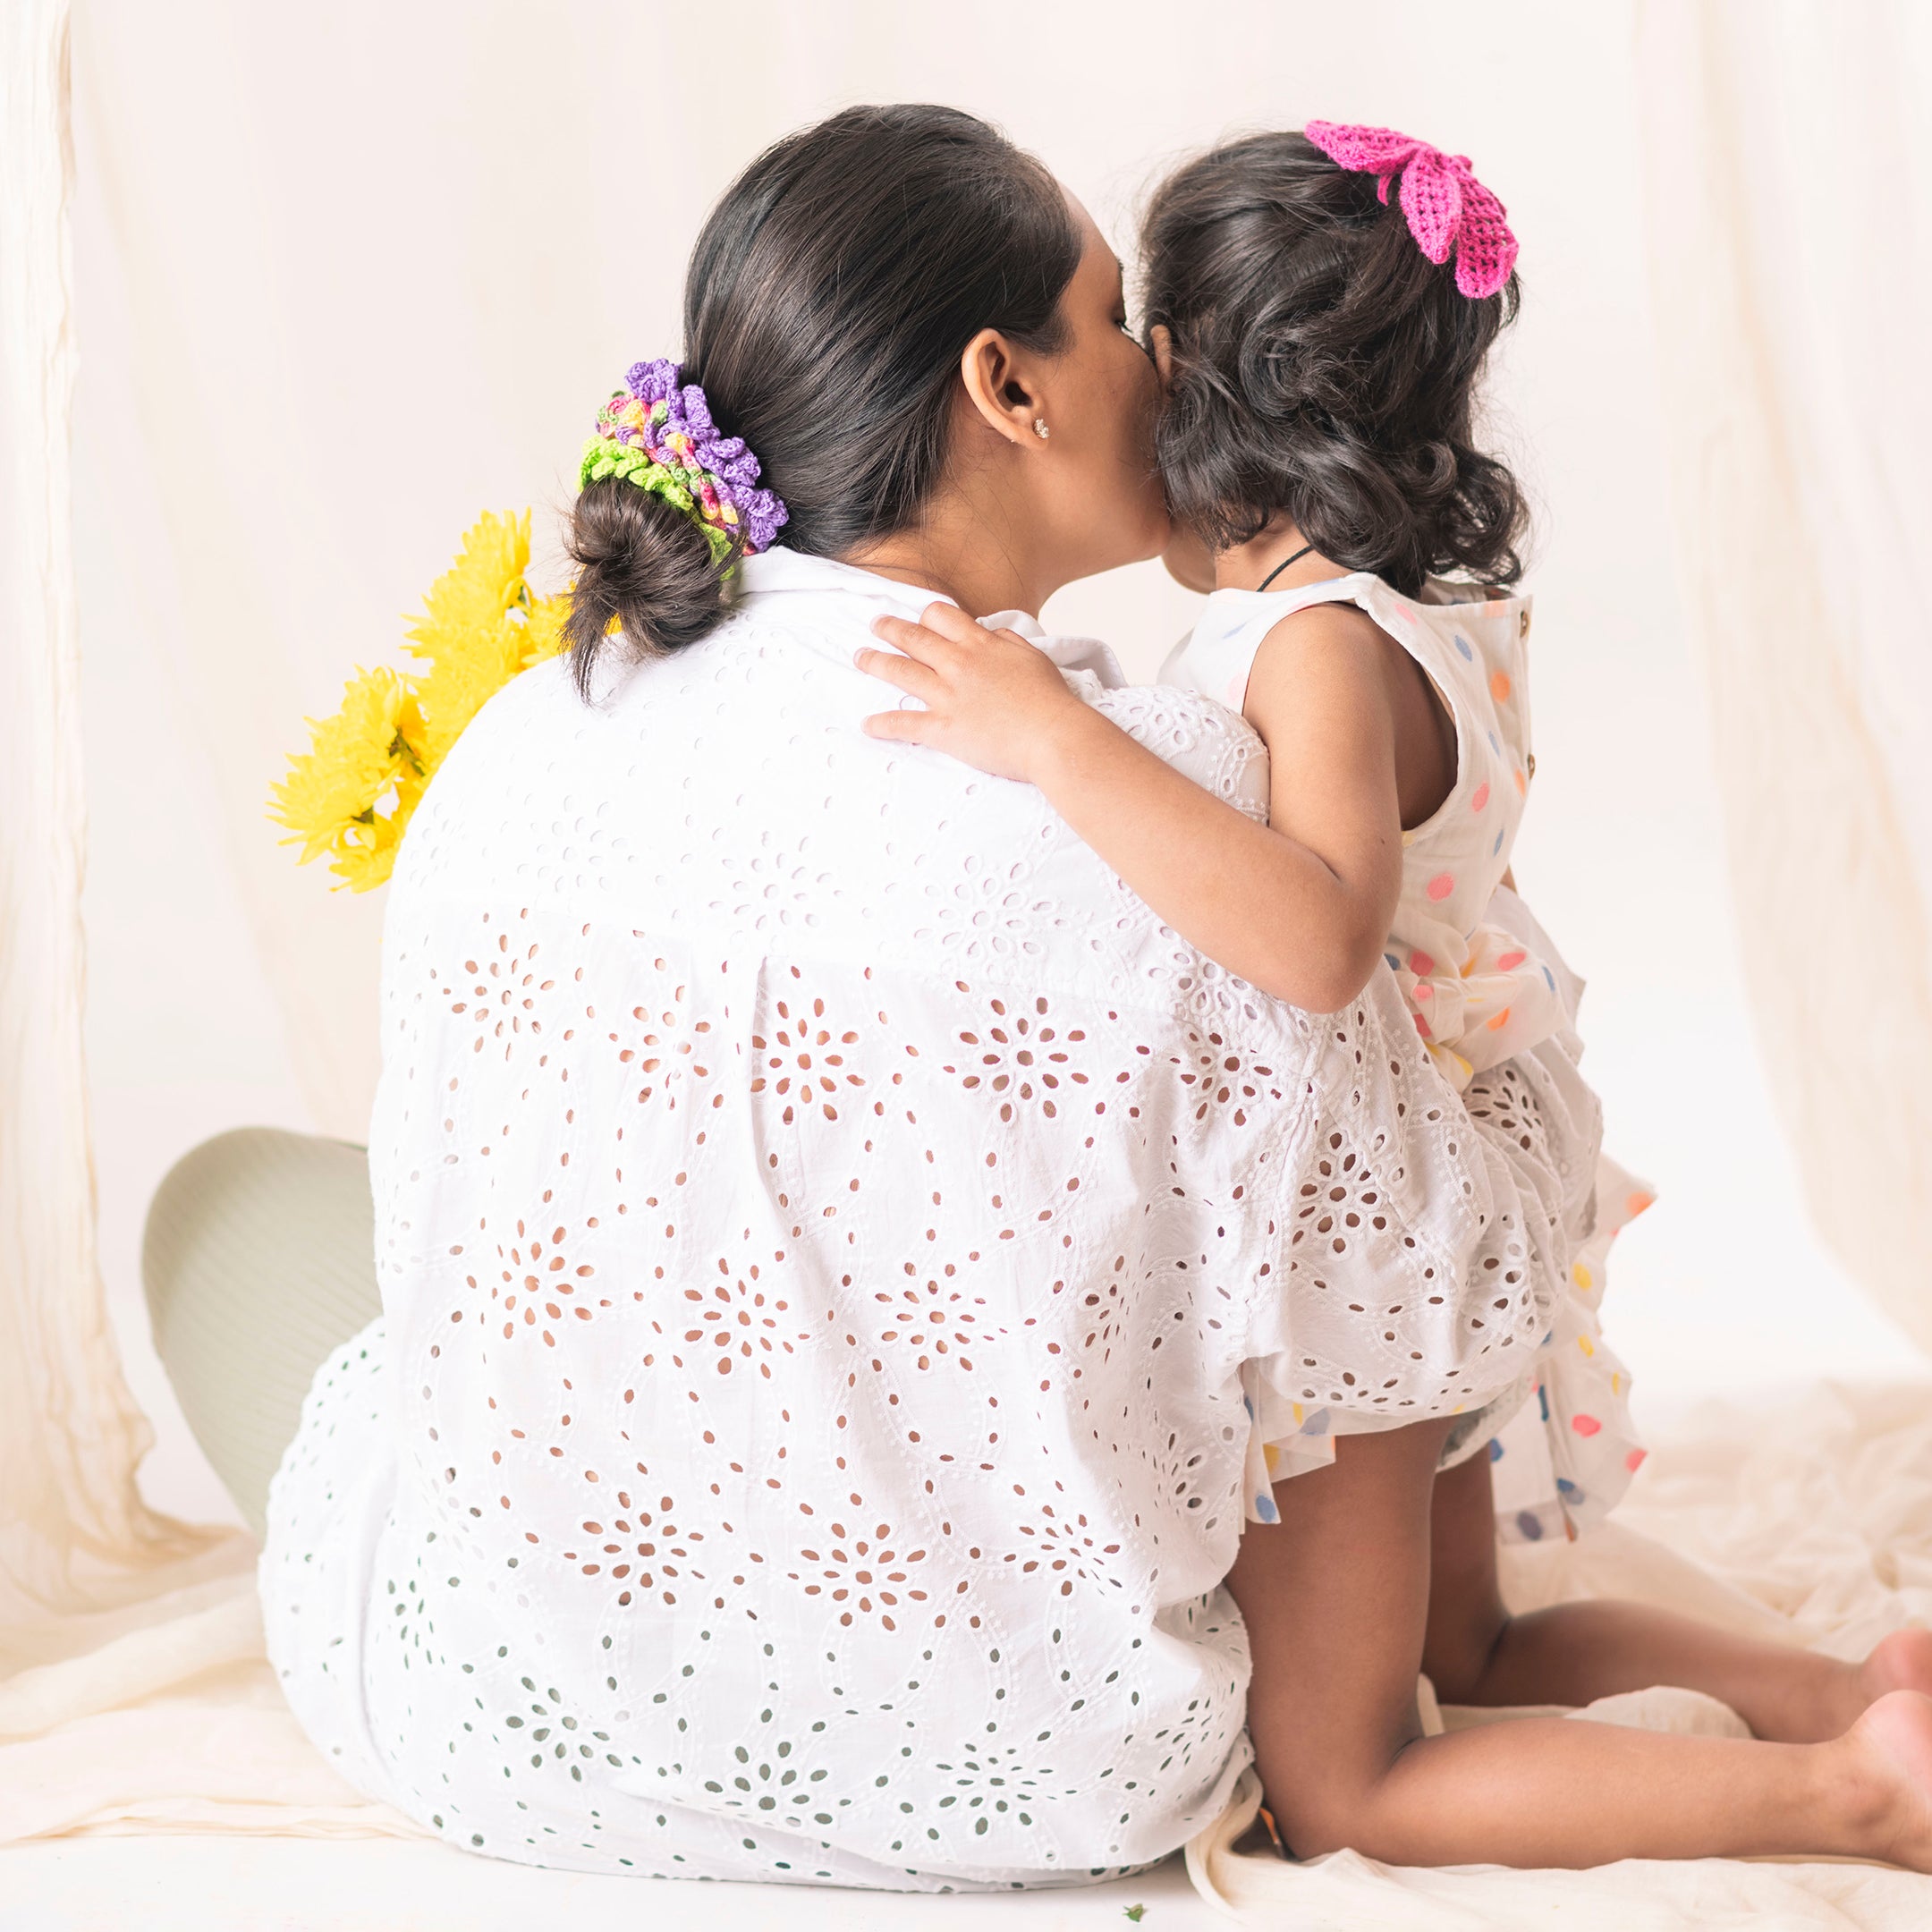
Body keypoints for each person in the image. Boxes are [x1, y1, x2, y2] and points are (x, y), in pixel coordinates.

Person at [851, 122, 1932, 1868]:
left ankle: (1859, 1794)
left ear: (1215, 391)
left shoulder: (1313, 642)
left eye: (1145, 348)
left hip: (1376, 1230)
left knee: (1345, 1777)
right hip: (1458, 1163)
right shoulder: (1409, 601)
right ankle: (1849, 1693)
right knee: (1472, 1648)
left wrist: (1054, 738)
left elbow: (1317, 934)